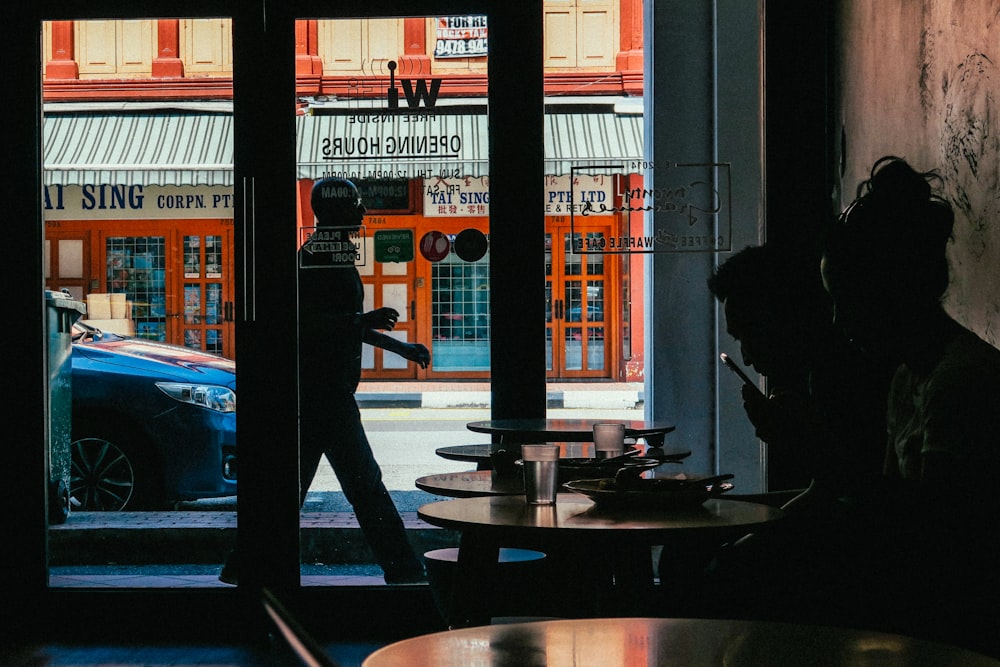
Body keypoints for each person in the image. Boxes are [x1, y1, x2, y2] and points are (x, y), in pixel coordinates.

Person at [221, 177, 430, 585]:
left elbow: (339, 325)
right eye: (355, 207)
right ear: (335, 212)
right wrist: (363, 324)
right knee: (365, 487)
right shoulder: (317, 257)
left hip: (319, 393)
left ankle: (245, 564)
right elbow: (304, 324)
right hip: (324, 394)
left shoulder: (326, 255)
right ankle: (404, 569)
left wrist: (398, 347)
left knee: (295, 489)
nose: (362, 214)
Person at [707, 243, 892, 495]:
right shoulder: (819, 380)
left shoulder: (850, 383)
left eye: (750, 334)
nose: (746, 358)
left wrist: (798, 441)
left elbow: (862, 499)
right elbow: (826, 493)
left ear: (784, 315)